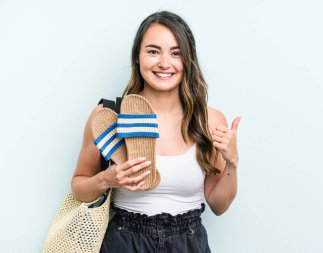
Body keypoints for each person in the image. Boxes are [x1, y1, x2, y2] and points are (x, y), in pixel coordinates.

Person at [71, 10, 241, 252]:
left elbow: (219, 205)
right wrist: (107, 179)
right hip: (124, 240)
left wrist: (232, 163)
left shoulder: (209, 120)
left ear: (187, 60)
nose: (164, 63)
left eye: (176, 53)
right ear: (138, 57)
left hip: (188, 242)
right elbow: (79, 187)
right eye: (153, 51)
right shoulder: (109, 117)